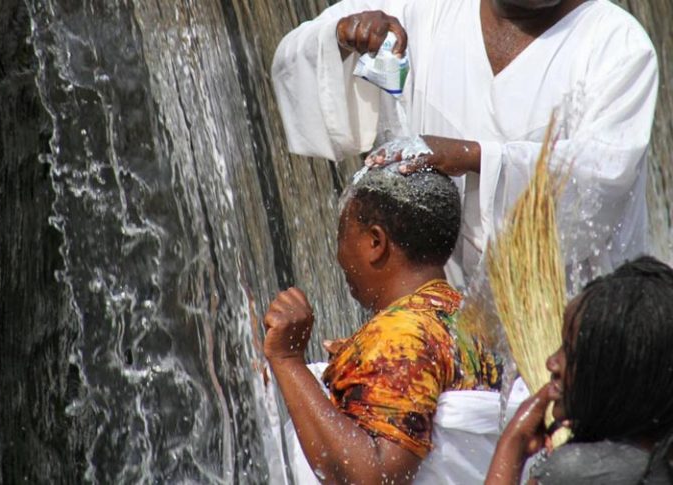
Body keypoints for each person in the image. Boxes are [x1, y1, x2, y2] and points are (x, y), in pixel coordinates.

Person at [271, 0, 658, 287]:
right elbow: (295, 57)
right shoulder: (422, 11)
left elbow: (605, 173)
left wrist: (473, 157)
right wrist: (344, 36)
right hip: (442, 334)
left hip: (571, 335)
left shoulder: (616, 42)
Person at [263, 165, 503, 484]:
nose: (339, 256)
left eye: (342, 236)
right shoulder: (467, 316)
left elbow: (374, 476)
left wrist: (288, 360)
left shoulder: (401, 336)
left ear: (376, 241)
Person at [486, 255, 673, 484]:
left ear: (615, 375)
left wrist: (513, 443)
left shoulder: (578, 472)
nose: (551, 362)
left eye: (569, 351)